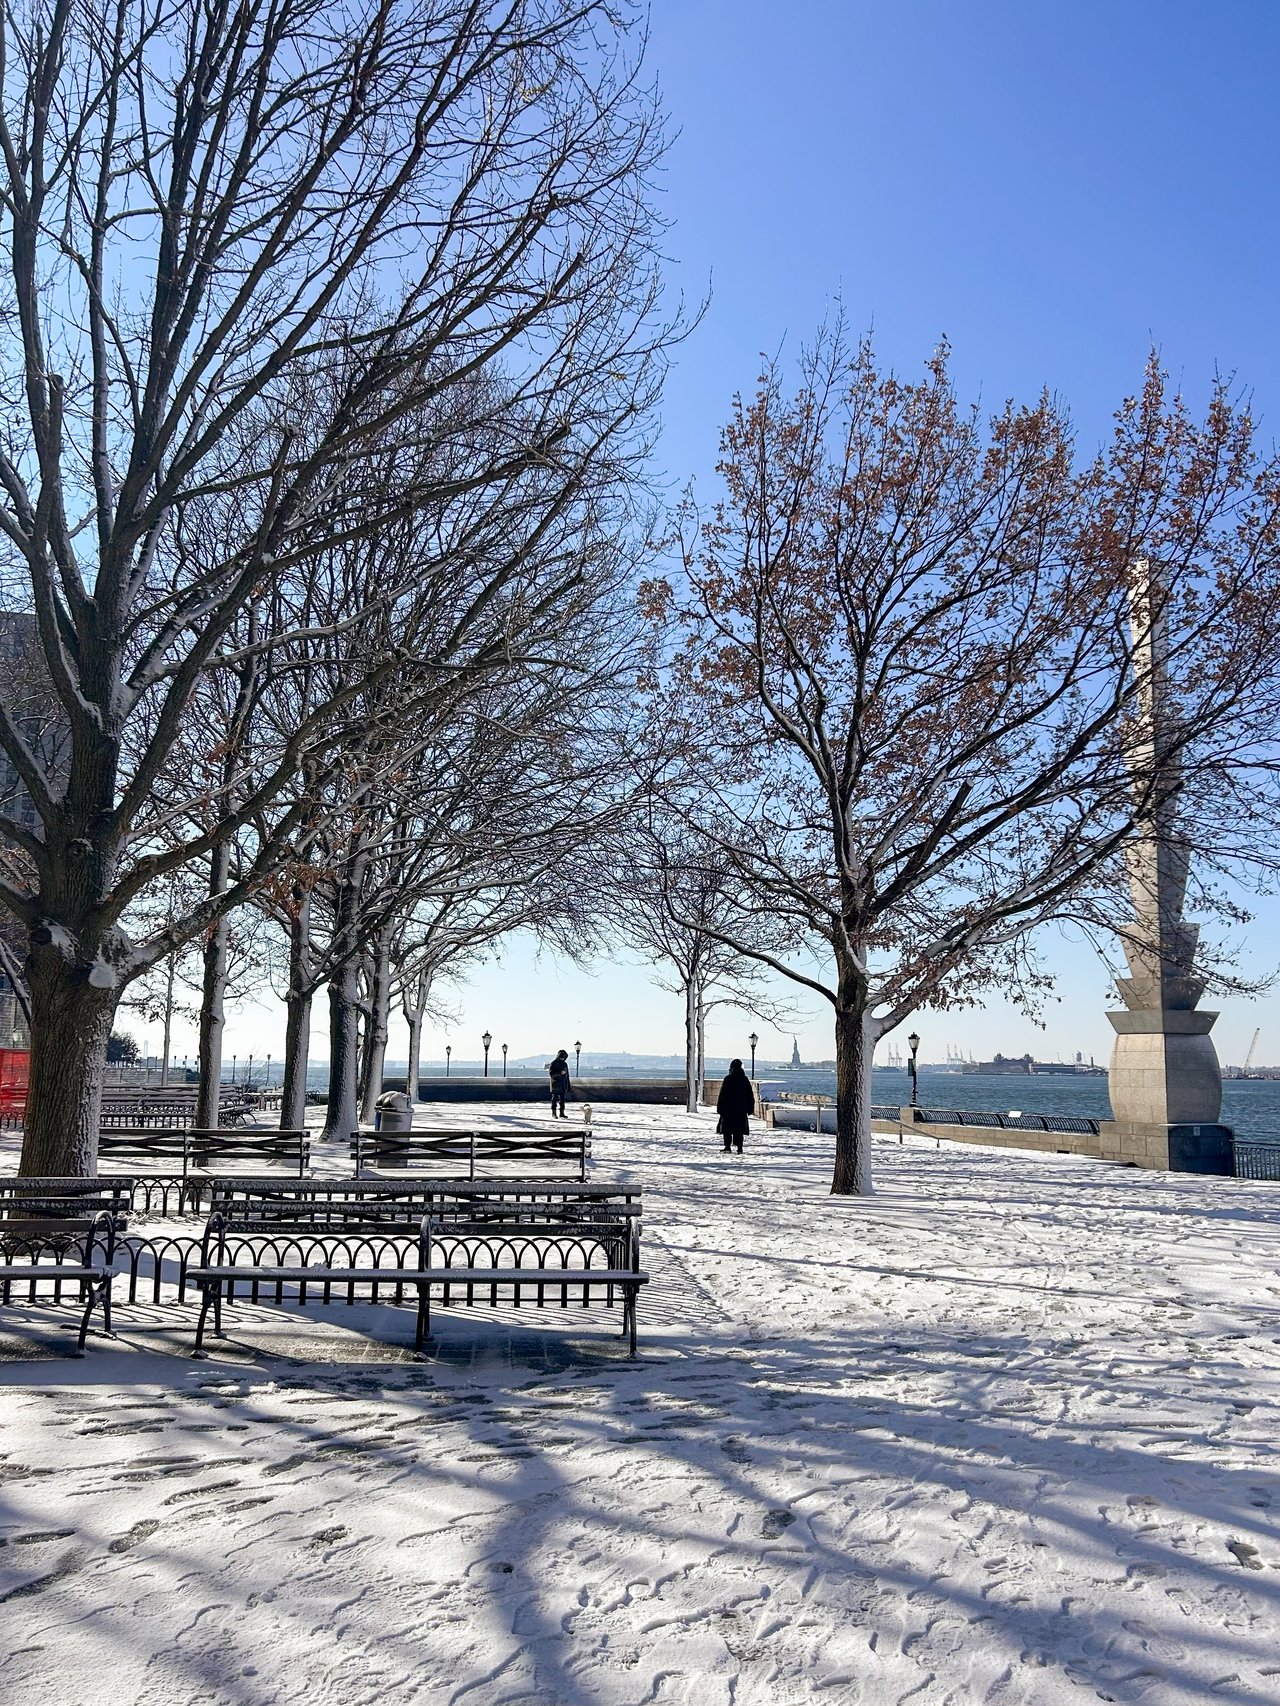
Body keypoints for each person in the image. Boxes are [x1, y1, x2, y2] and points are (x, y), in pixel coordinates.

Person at [716, 1058, 754, 1154]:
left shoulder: (728, 1078)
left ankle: (727, 1146)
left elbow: (722, 1094)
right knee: (739, 1128)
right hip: (741, 1108)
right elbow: (750, 1094)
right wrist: (750, 1108)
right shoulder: (744, 1079)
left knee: (727, 1128)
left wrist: (720, 1107)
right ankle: (739, 1147)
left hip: (728, 1108)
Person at [546, 1048, 571, 1118]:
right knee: (554, 1099)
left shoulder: (565, 1064)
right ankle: (554, 1113)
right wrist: (560, 1073)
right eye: (562, 1057)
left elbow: (567, 1076)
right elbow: (551, 1074)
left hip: (563, 1084)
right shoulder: (553, 1063)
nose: (563, 1059)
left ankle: (562, 1113)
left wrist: (568, 1085)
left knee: (562, 1100)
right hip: (555, 1084)